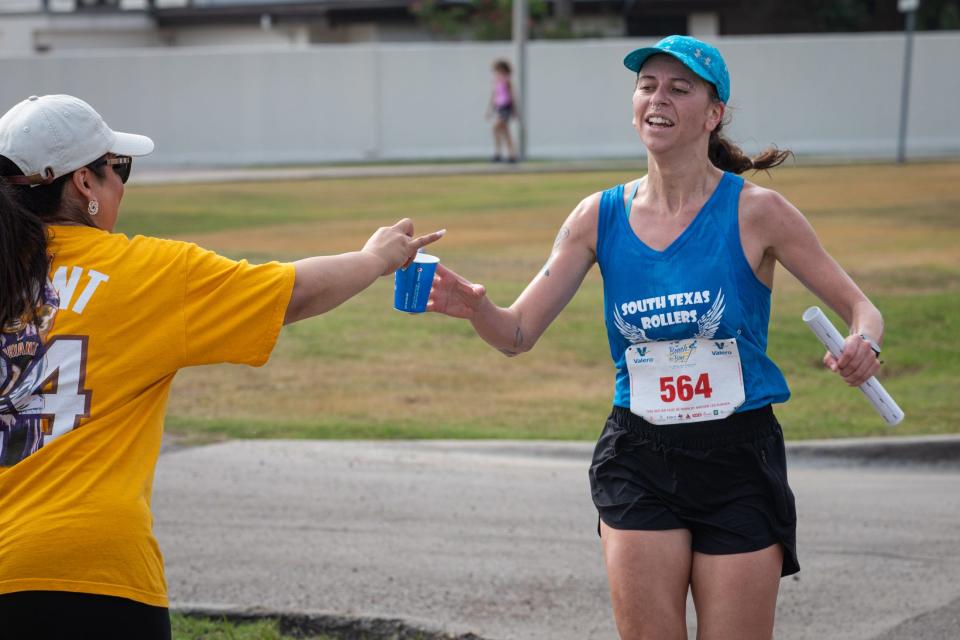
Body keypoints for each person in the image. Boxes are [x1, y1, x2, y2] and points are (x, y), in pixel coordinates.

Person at [428, 35, 884, 639]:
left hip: (738, 458)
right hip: (638, 456)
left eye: (679, 87)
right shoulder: (597, 216)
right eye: (647, 85)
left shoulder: (758, 212)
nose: (657, 98)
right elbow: (517, 332)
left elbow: (861, 308)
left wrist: (863, 345)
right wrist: (475, 308)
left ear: (713, 112)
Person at [0, 94, 443, 639]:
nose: (121, 184)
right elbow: (292, 293)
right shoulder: (147, 273)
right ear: (84, 185)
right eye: (120, 169)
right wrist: (377, 258)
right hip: (97, 576)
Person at [487, 58, 517, 163]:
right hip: (499, 107)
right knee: (505, 132)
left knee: (496, 129)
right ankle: (510, 155)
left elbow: (512, 96)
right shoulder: (496, 81)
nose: (497, 72)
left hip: (506, 107)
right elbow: (494, 95)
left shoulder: (507, 80)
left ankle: (500, 153)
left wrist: (515, 110)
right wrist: (490, 110)